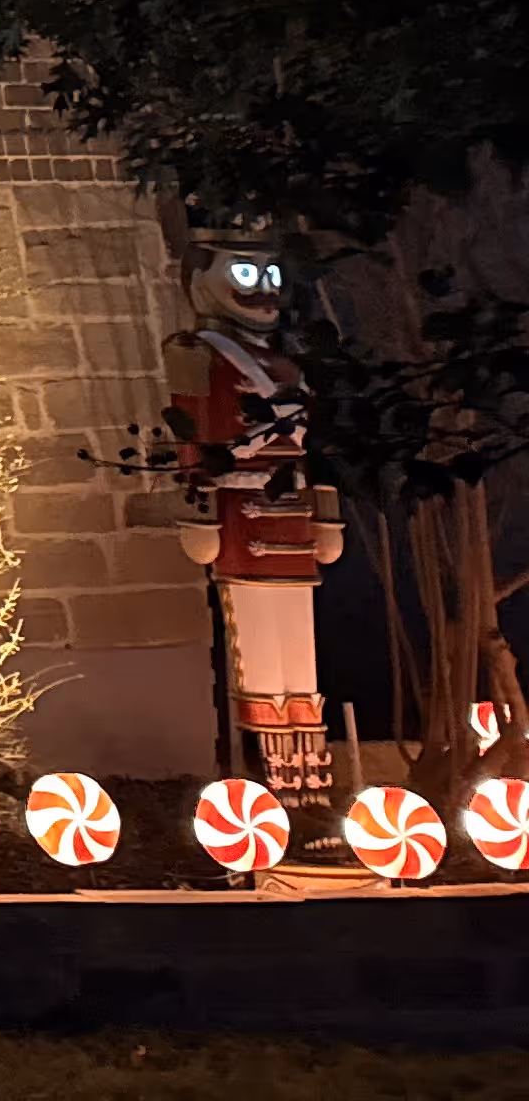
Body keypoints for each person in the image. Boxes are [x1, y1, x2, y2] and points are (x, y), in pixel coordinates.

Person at [168, 230, 339, 796]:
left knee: (303, 655)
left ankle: (309, 780)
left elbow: (315, 448)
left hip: (291, 519)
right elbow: (187, 435)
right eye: (245, 274)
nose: (264, 291)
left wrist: (325, 516)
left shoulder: (288, 364)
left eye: (270, 274)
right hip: (243, 516)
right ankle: (270, 780)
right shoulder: (197, 354)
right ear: (202, 278)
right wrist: (197, 512)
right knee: (258, 653)